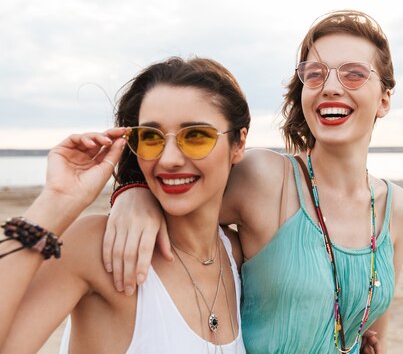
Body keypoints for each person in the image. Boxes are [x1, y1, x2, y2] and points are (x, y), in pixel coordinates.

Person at [105, 10, 403, 353]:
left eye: (353, 75)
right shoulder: (264, 177)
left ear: (384, 99)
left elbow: (375, 336)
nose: (330, 87)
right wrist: (133, 194)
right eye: (314, 75)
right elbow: (179, 188)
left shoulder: (396, 208)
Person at [0, 57, 250, 354]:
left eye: (195, 136)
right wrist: (55, 201)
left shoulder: (238, 254)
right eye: (151, 137)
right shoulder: (96, 248)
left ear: (238, 144)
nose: (168, 159)